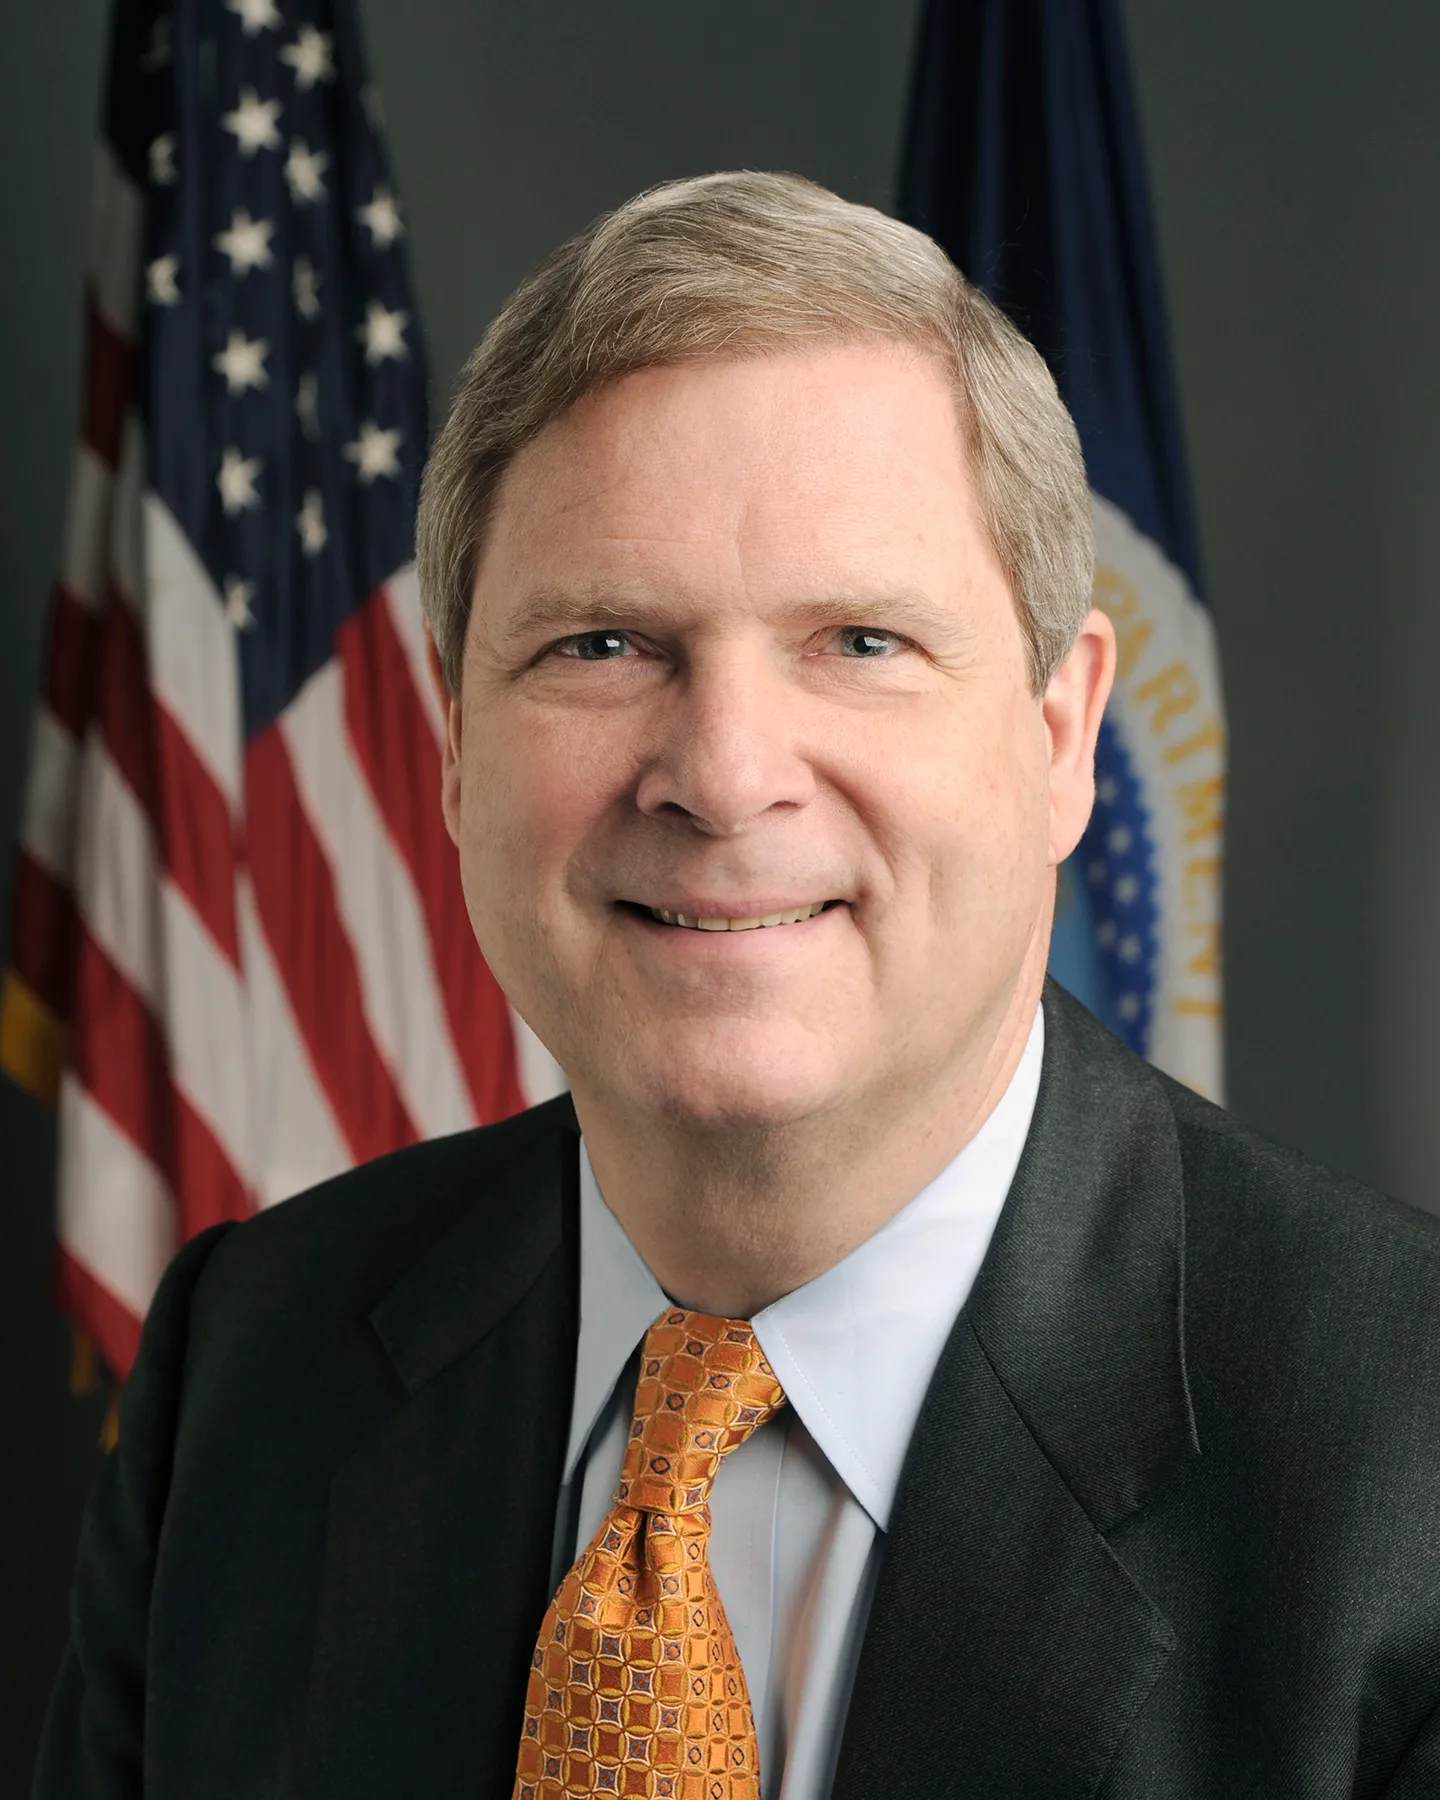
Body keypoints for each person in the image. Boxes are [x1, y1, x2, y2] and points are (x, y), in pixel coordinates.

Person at [34, 171, 1440, 1800]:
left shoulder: (1407, 1467)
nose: (722, 773)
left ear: (1061, 738)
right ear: (456, 734)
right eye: (605, 644)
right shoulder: (253, 1369)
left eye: (857, 642)